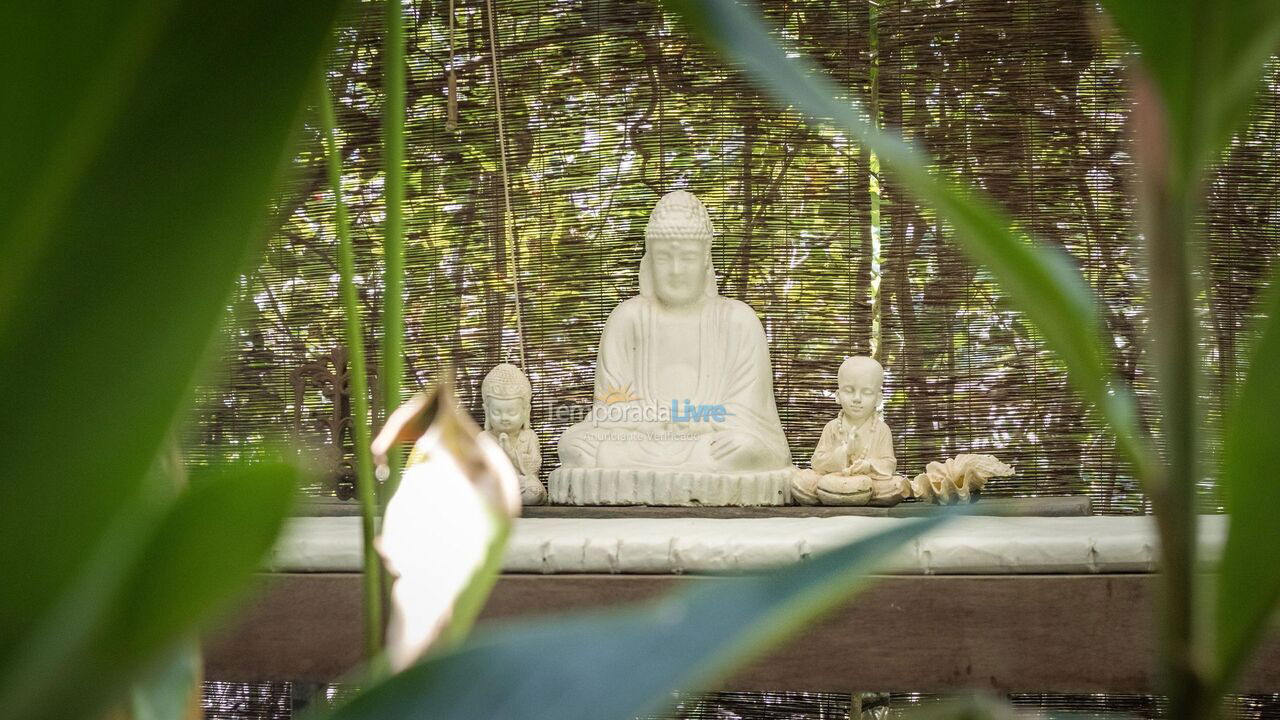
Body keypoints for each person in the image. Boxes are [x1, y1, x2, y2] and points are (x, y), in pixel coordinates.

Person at [554, 190, 791, 480]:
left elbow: (750, 416)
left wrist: (687, 422)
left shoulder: (738, 321)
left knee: (747, 448)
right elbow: (610, 412)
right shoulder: (627, 319)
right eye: (665, 257)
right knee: (576, 446)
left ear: (706, 259)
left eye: (688, 257)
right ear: (650, 259)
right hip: (641, 441)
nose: (676, 270)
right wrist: (657, 422)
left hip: (709, 443)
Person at [792, 355, 911, 506]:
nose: (857, 399)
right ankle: (844, 495)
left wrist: (868, 465)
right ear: (838, 396)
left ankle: (842, 496)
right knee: (802, 481)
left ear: (878, 398)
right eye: (849, 391)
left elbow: (889, 463)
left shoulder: (882, 430)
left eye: (866, 392)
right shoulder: (832, 427)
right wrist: (844, 452)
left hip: (869, 483)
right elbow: (817, 462)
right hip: (833, 481)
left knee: (896, 485)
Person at [479, 363, 546, 505]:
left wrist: (509, 451)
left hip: (521, 486)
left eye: (512, 412)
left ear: (526, 411)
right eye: (497, 412)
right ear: (486, 411)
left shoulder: (529, 437)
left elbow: (533, 467)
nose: (504, 418)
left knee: (533, 491)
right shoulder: (484, 438)